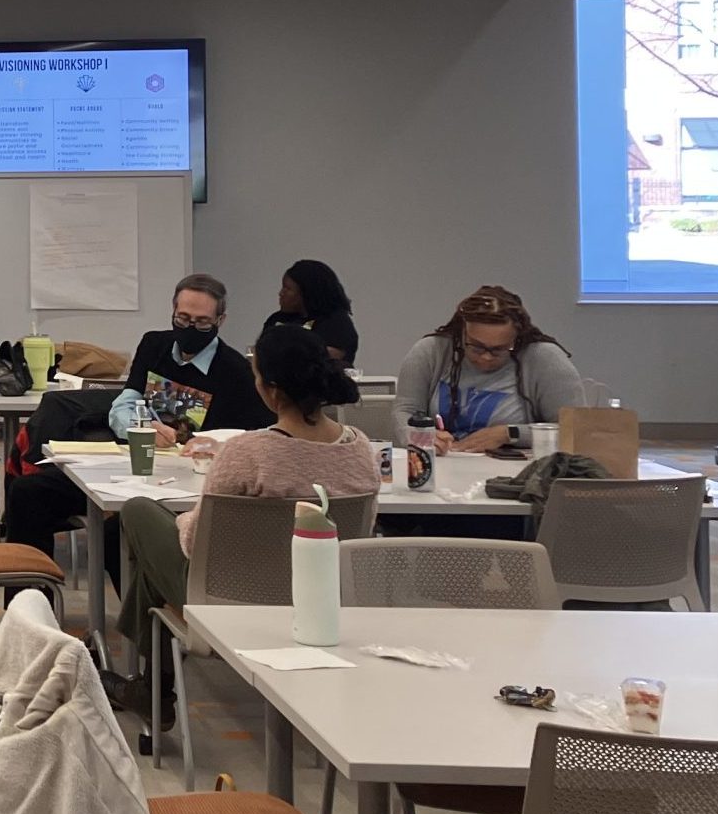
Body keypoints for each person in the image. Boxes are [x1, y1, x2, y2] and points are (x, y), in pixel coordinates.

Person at [114, 325, 379, 724]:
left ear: (269, 389)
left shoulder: (246, 453)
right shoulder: (361, 451)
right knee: (159, 555)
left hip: (228, 596)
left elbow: (196, 541)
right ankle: (148, 689)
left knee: (139, 511)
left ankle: (152, 689)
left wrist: (181, 519)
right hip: (321, 600)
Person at [0, 274, 277, 570]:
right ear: (172, 311)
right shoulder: (154, 345)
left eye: (202, 322)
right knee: (27, 493)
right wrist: (140, 427)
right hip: (128, 470)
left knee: (115, 536)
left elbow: (260, 437)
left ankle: (146, 615)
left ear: (220, 320)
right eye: (182, 318)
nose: (190, 328)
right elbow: (123, 404)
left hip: (183, 486)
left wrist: (209, 443)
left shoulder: (235, 372)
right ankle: (28, 602)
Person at [394, 285, 584, 452]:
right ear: (461, 334)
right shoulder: (431, 351)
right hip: (441, 466)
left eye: (499, 349)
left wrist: (510, 434)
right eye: (476, 346)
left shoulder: (545, 359)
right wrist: (418, 437)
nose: (486, 356)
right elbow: (405, 410)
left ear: (516, 339)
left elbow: (576, 429)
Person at [263, 259, 359, 367]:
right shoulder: (277, 319)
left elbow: (329, 356)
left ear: (306, 292)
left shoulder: (335, 322)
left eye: (287, 288)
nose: (281, 293)